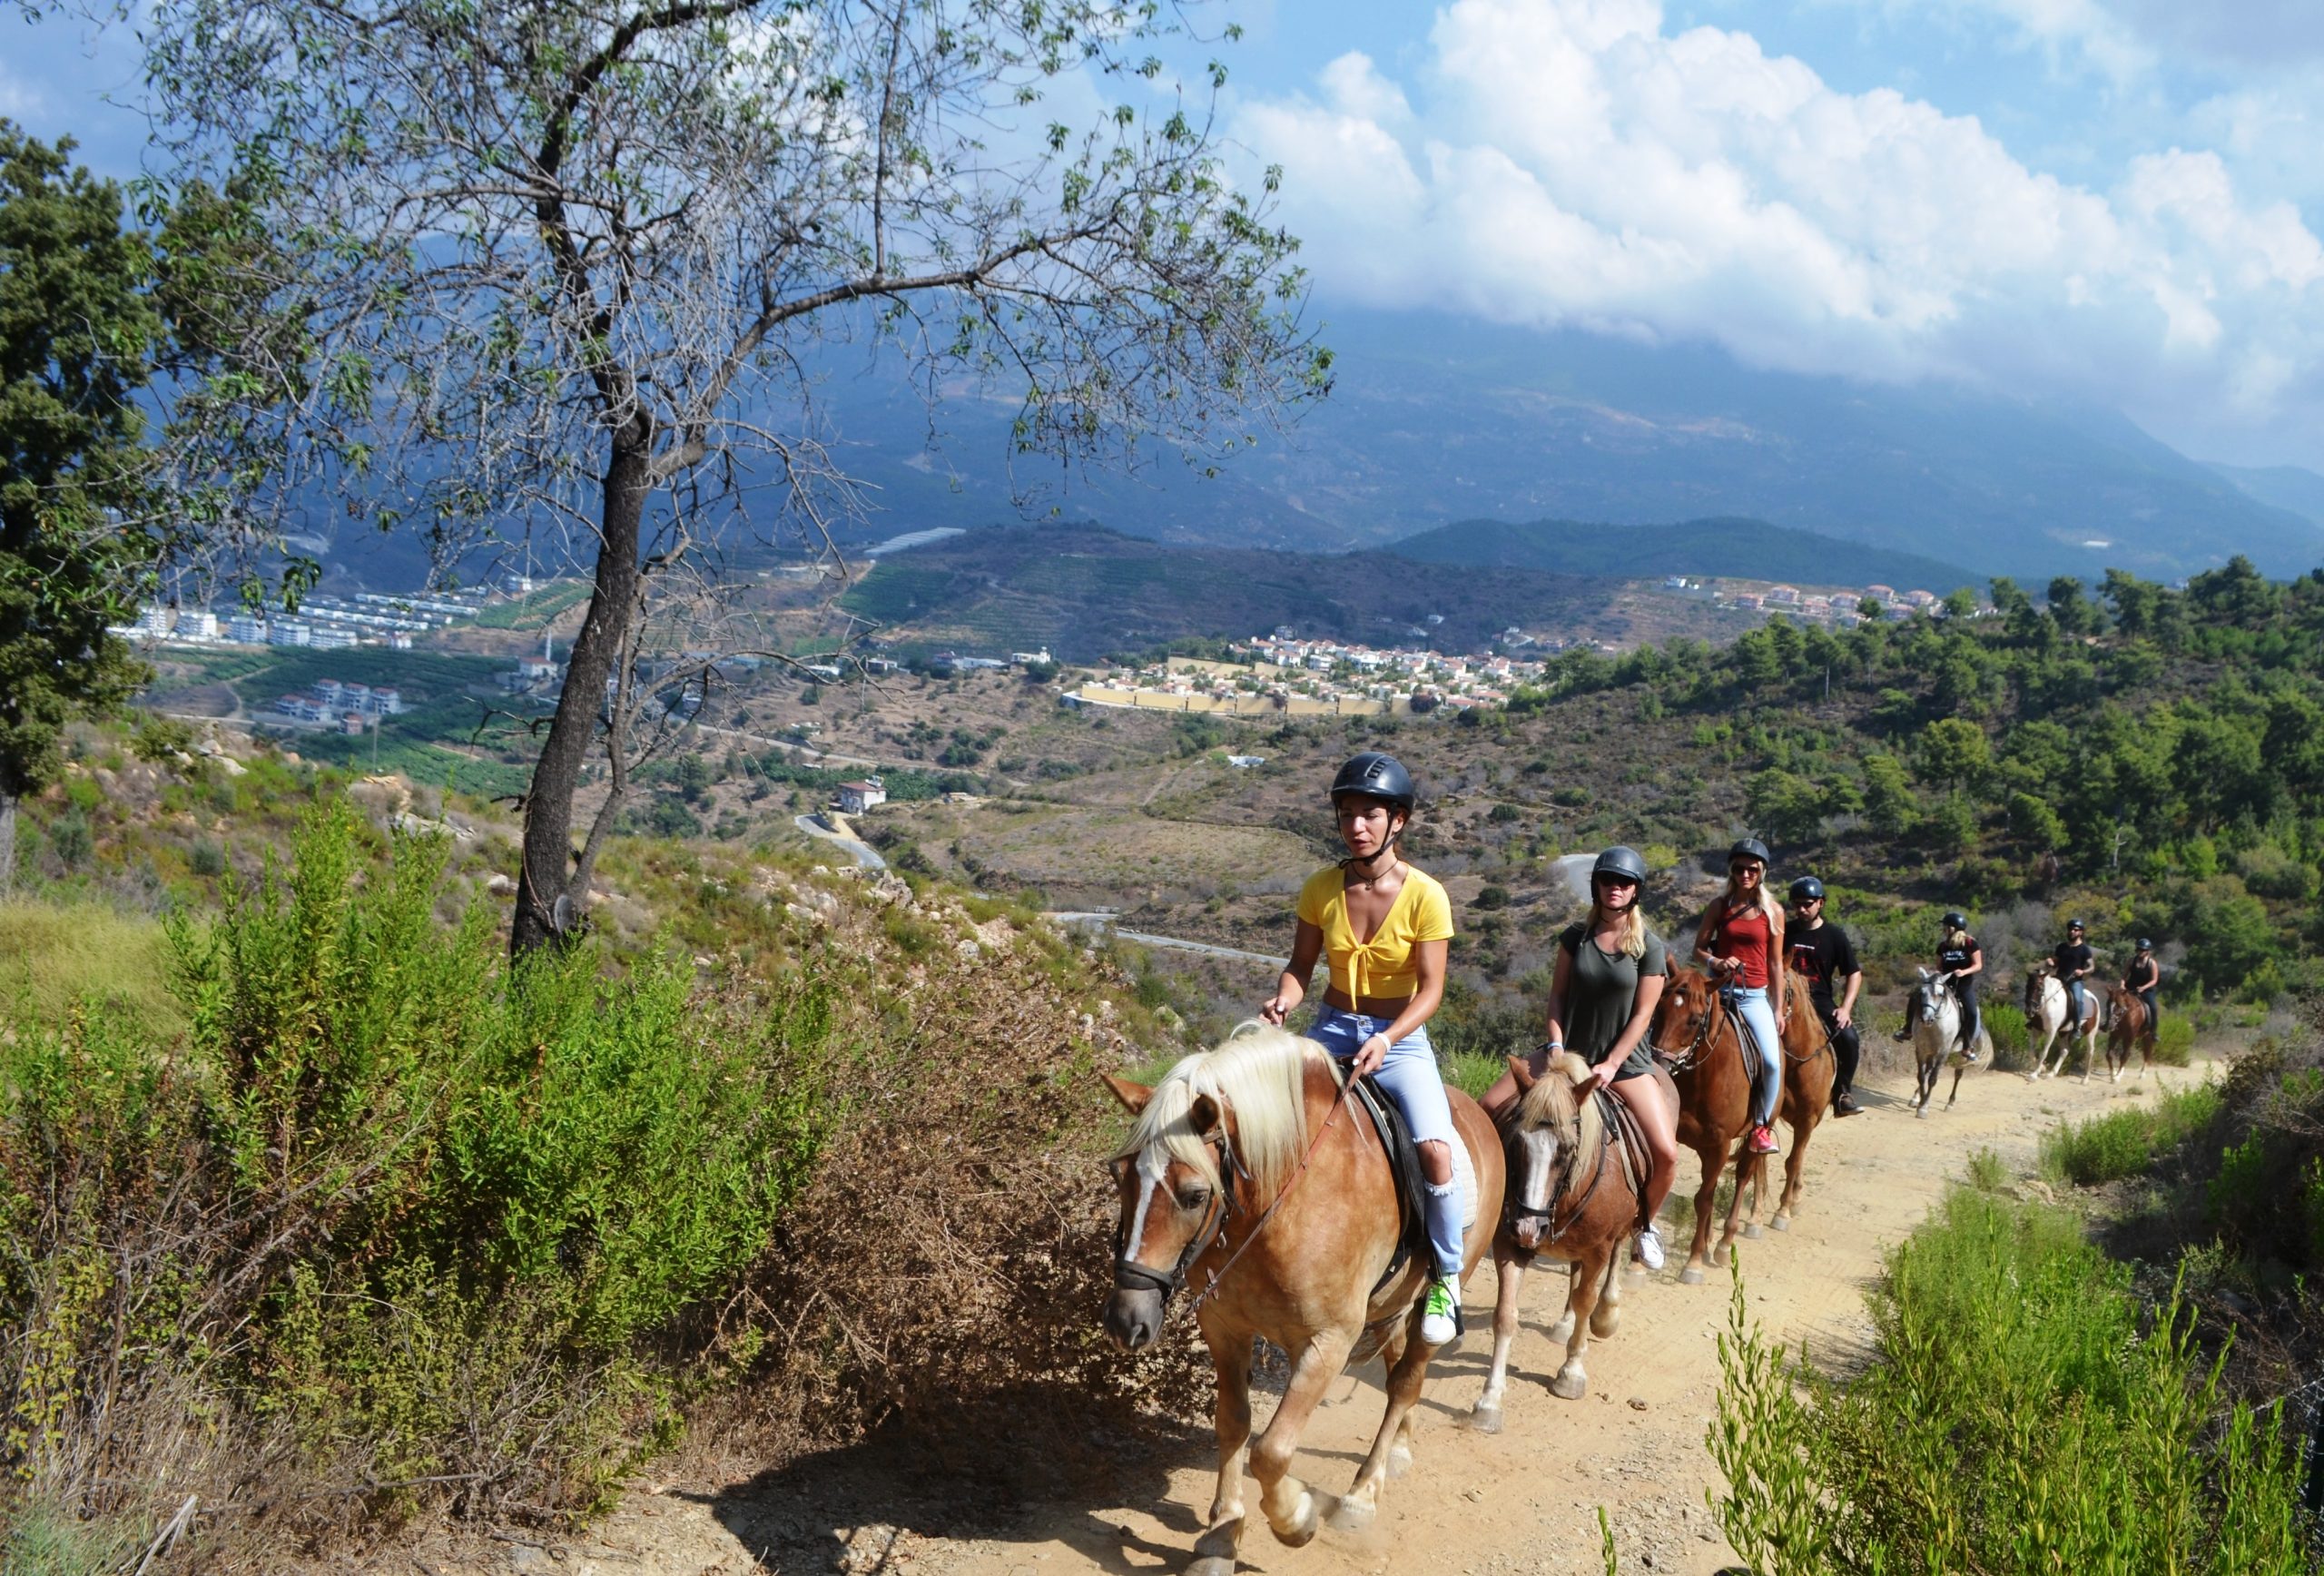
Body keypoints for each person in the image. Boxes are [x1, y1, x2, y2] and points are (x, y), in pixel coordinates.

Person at [1262, 752, 1465, 1345]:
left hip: (1399, 1040)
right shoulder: (1321, 888)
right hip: (1329, 1027)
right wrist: (1282, 1001)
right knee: (1263, 1123)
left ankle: (1446, 1278)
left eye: (1370, 814)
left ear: (1397, 820)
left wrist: (1387, 1037)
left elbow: (1431, 993)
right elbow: (1300, 968)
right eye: (1347, 814)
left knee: (1434, 1151)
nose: (1356, 825)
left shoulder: (1427, 896)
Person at [1482, 845, 1679, 1271]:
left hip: (1624, 1064)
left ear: (1636, 892)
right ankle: (1495, 1210)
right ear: (1597, 886)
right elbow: (1556, 995)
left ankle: (1646, 1225)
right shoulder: (1576, 937)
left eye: (1625, 883)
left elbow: (1644, 1014)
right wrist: (1554, 1043)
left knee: (1666, 1153)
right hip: (1566, 1053)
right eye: (1609, 881)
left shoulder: (1650, 948)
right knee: (1486, 1110)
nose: (1616, 888)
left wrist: (1611, 1063)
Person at [1692, 838, 1787, 1156]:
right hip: (1717, 991)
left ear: (1762, 873)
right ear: (1731, 871)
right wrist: (1715, 962)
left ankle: (1760, 1127)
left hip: (1753, 996)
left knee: (1772, 1063)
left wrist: (1778, 1008)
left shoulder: (1773, 912)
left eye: (1752, 869)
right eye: (1740, 868)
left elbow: (1775, 963)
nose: (1746, 873)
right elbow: (1699, 948)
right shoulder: (1720, 906)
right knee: (1669, 1041)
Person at [1785, 876, 1864, 1117]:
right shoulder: (1785, 931)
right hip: (1784, 998)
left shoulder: (1834, 936)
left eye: (1807, 904)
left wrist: (1845, 1008)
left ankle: (1842, 1094)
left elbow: (1854, 973)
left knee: (1849, 1038)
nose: (1801, 909)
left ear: (1821, 903)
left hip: (1819, 1000)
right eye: (1797, 904)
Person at [2054, 918, 2097, 1035]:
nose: (2072, 931)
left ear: (2081, 932)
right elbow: (2056, 961)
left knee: (2078, 1000)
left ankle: (2077, 1027)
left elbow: (2092, 967)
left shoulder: (2084, 950)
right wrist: (2050, 961)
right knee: (2042, 992)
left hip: (2075, 981)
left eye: (2075, 930)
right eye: (2070, 929)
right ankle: (2035, 1020)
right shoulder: (2061, 947)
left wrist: (2083, 972)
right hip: (2059, 978)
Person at [2125, 938, 2161, 1039]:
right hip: (2131, 987)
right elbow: (2124, 976)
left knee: (2153, 1008)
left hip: (2146, 990)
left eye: (2143, 950)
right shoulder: (2131, 961)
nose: (2140, 952)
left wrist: (2143, 988)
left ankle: (2153, 1031)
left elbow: (2154, 980)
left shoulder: (2152, 963)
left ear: (2147, 951)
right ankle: (2108, 1022)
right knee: (2114, 999)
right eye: (2138, 949)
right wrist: (2122, 984)